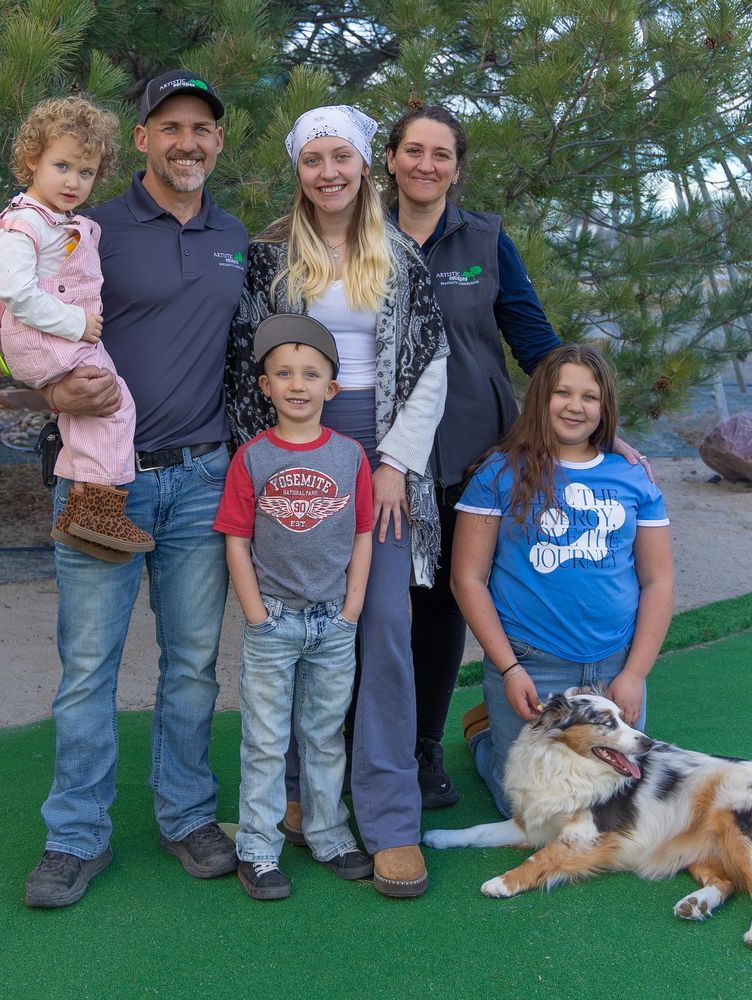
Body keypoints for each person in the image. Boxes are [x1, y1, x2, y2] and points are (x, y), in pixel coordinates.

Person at [23, 70, 248, 908]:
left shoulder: (233, 234)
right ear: (144, 137)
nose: (188, 141)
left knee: (192, 663)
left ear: (218, 141)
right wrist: (47, 392)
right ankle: (74, 838)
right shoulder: (88, 227)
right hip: (101, 482)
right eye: (172, 126)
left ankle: (187, 815)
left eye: (203, 128)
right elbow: (12, 319)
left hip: (202, 480)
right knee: (87, 667)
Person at [384, 102, 649, 808]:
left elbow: (536, 341)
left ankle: (424, 750)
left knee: (442, 608)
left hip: (470, 458)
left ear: (457, 167)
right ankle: (365, 749)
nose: (426, 165)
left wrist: (604, 432)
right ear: (390, 159)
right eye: (413, 150)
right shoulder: (360, 236)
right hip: (382, 459)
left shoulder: (485, 240)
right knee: (381, 608)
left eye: (441, 154)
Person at [226, 105, 449, 898]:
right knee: (290, 617)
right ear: (299, 170)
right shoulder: (269, 257)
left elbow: (432, 363)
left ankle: (388, 819)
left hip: (378, 457)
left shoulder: (401, 256)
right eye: (313, 159)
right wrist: (266, 468)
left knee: (382, 624)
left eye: (341, 158)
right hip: (291, 453)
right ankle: (296, 792)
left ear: (364, 165)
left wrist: (394, 464)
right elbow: (244, 370)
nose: (328, 172)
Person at [450, 344, 674, 816]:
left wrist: (634, 674)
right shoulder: (500, 474)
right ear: (539, 399)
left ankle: (501, 726)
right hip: (533, 664)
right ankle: (483, 734)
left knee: (618, 798)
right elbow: (467, 579)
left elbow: (658, 581)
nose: (575, 406)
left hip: (614, 664)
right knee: (525, 809)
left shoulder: (631, 476)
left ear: (605, 406)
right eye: (562, 392)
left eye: (589, 397)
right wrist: (510, 669)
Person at [215, 314, 374, 900]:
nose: (297, 384)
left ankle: (328, 832)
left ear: (333, 388)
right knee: (263, 738)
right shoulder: (252, 458)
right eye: (283, 373)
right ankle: (257, 849)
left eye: (311, 373)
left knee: (325, 733)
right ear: (265, 386)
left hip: (333, 619)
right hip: (273, 621)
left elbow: (362, 532)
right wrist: (255, 612)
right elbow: (235, 536)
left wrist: (352, 607)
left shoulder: (351, 456)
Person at [0, 96, 154, 561]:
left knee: (98, 409)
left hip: (59, 335)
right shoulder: (24, 224)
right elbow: (16, 293)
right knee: (112, 402)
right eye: (61, 165)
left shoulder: (57, 222)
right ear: (31, 160)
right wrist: (77, 323)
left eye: (85, 172)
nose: (73, 181)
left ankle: (86, 511)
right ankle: (95, 509)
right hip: (49, 335)